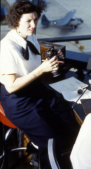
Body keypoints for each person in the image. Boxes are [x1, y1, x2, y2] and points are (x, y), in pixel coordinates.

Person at [0, 1, 80, 168]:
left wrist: (50, 61)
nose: (33, 25)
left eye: (35, 19)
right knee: (52, 142)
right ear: (16, 22)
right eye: (28, 21)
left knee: (70, 120)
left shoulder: (30, 36)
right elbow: (11, 86)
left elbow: (31, 63)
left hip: (35, 89)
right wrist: (41, 70)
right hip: (19, 100)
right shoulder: (6, 47)